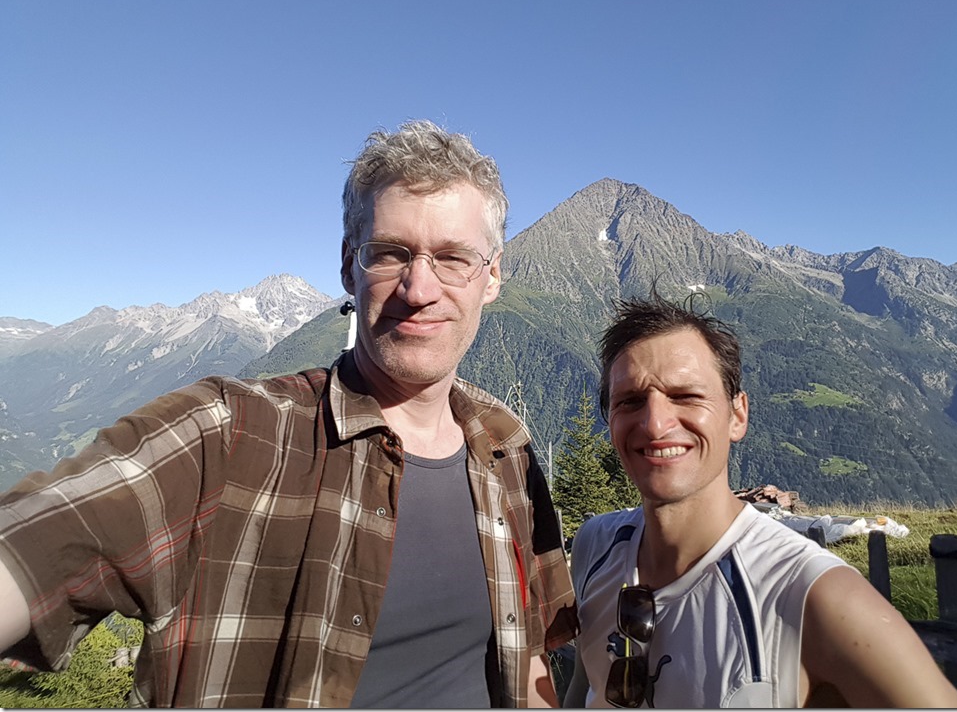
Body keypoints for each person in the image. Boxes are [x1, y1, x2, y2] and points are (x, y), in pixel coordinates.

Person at [0, 120, 577, 707]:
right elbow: (36, 544)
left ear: (492, 277)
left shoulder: (506, 447)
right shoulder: (228, 436)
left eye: (453, 258)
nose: (419, 288)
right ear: (349, 264)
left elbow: (530, 657)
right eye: (388, 254)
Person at [562, 292, 957, 708]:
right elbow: (586, 684)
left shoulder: (814, 595)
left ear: (737, 415)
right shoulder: (595, 545)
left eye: (685, 396)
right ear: (610, 420)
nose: (655, 423)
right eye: (630, 401)